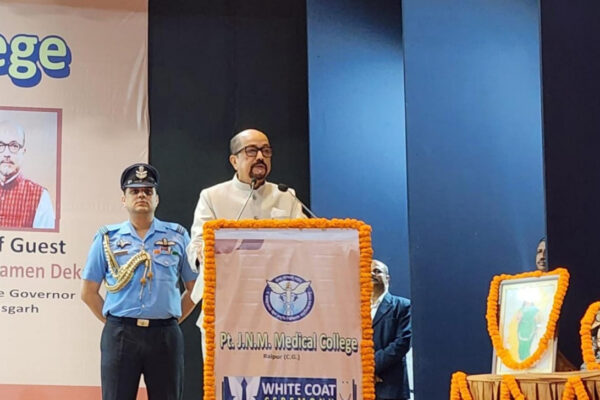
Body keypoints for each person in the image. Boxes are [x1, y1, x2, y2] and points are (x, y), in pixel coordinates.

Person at [81, 163, 198, 400]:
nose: (142, 195)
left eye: (148, 190)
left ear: (157, 198)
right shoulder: (108, 238)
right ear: (123, 200)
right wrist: (115, 322)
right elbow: (88, 292)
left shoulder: (177, 235)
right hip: (121, 334)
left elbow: (194, 290)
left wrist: (171, 319)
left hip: (164, 334)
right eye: (134, 191)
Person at [186, 128, 304, 303]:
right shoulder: (212, 196)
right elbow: (197, 244)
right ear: (234, 161)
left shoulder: (287, 196)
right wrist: (204, 252)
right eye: (251, 151)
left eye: (266, 151)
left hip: (276, 294)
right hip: (227, 295)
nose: (260, 157)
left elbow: (305, 241)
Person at [0, 120, 55, 229]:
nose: (6, 154)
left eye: (14, 146)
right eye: (0, 145)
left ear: (23, 152)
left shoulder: (40, 196)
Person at [371, 259, 411, 400]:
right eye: (368, 271)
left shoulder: (403, 306)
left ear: (387, 278)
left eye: (377, 271)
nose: (372, 274)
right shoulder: (354, 309)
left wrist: (370, 367)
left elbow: (402, 342)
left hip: (389, 386)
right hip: (358, 384)